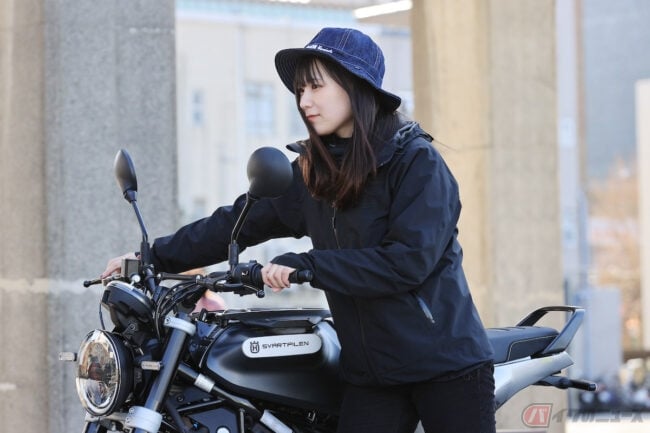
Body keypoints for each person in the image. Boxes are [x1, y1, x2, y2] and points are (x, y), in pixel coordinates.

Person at [102, 27, 496, 433]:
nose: (304, 101)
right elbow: (236, 223)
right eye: (300, 90)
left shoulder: (416, 162)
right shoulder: (314, 172)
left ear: (356, 86)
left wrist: (307, 266)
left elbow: (407, 263)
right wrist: (152, 257)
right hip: (374, 373)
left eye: (316, 87)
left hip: (445, 366)